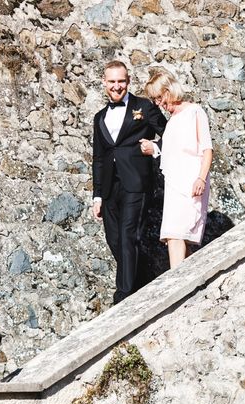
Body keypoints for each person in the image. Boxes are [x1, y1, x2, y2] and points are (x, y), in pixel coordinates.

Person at [92, 60, 167, 304]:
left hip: (136, 183)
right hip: (110, 189)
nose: (116, 86)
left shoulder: (143, 107)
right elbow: (99, 158)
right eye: (112, 81)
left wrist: (155, 147)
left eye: (121, 81)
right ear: (104, 82)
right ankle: (142, 280)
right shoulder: (99, 117)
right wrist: (97, 195)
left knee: (128, 235)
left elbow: (171, 134)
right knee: (114, 240)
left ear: (128, 81)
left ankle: (123, 296)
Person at [143, 68, 213, 269]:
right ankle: (194, 284)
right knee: (175, 236)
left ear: (168, 90)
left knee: (175, 235)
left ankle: (177, 285)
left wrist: (201, 178)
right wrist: (153, 148)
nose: (158, 103)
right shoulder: (172, 121)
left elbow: (207, 149)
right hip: (174, 184)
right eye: (154, 99)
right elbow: (172, 151)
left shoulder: (194, 111)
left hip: (191, 181)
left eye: (158, 97)